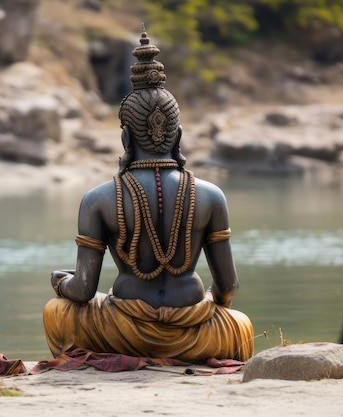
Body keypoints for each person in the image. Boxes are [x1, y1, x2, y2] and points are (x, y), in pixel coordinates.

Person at [42, 30, 254, 363]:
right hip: (195, 335)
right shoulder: (211, 195)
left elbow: (82, 291)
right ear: (178, 134)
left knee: (56, 311)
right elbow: (227, 290)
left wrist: (61, 282)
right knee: (240, 324)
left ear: (125, 136)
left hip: (120, 332)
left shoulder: (98, 198)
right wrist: (205, 310)